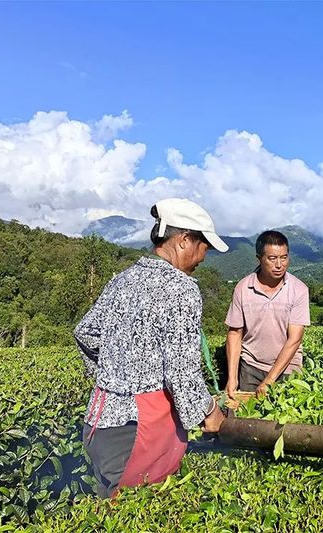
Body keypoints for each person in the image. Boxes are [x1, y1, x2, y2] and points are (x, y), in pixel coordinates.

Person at [75, 198, 228, 499]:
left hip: (99, 423)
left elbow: (85, 333)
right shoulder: (181, 288)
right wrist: (210, 411)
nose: (204, 256)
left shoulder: (123, 279)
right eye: (204, 246)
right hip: (138, 432)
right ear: (184, 240)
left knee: (108, 511)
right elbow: (182, 374)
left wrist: (114, 377)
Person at [224, 230, 310, 398]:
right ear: (259, 258)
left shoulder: (299, 289)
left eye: (284, 257)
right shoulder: (243, 288)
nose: (279, 265)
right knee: (248, 421)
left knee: (286, 421)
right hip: (251, 367)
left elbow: (295, 339)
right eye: (272, 258)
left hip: (288, 369)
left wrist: (269, 380)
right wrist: (232, 377)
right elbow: (235, 333)